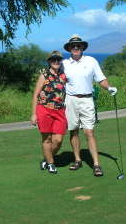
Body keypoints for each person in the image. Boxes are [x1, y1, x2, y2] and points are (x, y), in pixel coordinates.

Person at [62, 35, 117, 177]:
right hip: (70, 100)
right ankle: (78, 160)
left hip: (87, 100)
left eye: (78, 46)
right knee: (73, 130)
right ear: (69, 48)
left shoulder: (91, 61)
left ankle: (96, 164)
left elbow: (101, 79)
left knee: (89, 132)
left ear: (82, 48)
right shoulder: (64, 64)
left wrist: (109, 87)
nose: (76, 48)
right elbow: (56, 81)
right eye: (73, 46)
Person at [31, 50, 68, 174]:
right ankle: (51, 164)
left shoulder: (63, 76)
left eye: (58, 59)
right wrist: (33, 114)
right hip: (44, 109)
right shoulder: (44, 75)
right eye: (53, 59)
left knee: (58, 140)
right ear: (49, 62)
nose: (56, 62)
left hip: (59, 111)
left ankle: (46, 160)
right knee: (47, 139)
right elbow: (35, 95)